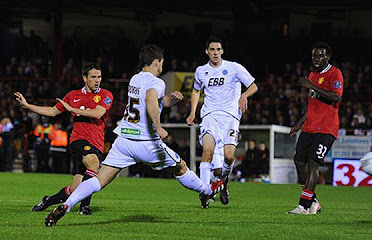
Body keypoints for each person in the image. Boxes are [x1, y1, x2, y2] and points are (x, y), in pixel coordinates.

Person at [44, 44, 224, 227]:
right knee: (180, 166)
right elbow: (150, 99)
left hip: (124, 141)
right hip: (147, 143)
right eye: (161, 63)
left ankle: (67, 205)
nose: (162, 67)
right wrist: (159, 127)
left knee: (99, 180)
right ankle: (206, 190)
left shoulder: (135, 79)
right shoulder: (157, 82)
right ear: (156, 62)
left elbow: (151, 101)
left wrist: (171, 100)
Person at [14, 62, 113, 215]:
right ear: (84, 78)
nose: (97, 80)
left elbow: (98, 113)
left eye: (99, 77)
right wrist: (28, 106)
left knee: (74, 189)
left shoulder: (105, 95)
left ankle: (47, 201)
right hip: (78, 140)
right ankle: (84, 207)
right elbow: (53, 111)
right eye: (93, 77)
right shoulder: (73, 95)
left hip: (97, 143)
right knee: (94, 163)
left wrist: (71, 109)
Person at [186, 36, 258, 208]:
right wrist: (192, 113)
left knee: (229, 156)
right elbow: (196, 91)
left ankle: (223, 183)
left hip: (231, 117)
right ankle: (205, 193)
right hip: (210, 116)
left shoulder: (234, 68)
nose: (215, 53)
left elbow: (253, 86)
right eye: (212, 50)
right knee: (207, 153)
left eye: (218, 49)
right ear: (207, 52)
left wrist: (244, 95)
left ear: (222, 51)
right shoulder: (201, 71)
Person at [288, 42, 343, 214]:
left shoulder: (335, 73)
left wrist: (311, 86)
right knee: (299, 162)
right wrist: (298, 124)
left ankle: (304, 205)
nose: (316, 59)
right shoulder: (312, 75)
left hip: (326, 128)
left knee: (313, 163)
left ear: (328, 57)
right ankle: (313, 201)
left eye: (320, 56)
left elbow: (336, 97)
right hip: (309, 126)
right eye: (314, 56)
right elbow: (313, 105)